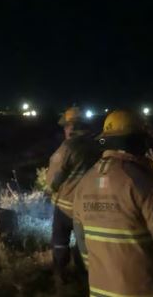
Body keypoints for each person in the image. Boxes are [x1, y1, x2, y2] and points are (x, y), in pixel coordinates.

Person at [73, 110, 153, 297]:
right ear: (137, 140)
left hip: (99, 289)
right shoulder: (146, 181)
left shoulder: (85, 182)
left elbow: (81, 240)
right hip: (142, 289)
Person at [46, 107, 100, 282]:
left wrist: (50, 190)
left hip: (66, 206)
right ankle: (84, 276)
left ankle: (60, 276)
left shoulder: (68, 147)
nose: (65, 130)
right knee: (83, 243)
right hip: (90, 207)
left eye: (66, 126)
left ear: (73, 126)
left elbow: (54, 178)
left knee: (60, 241)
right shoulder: (98, 145)